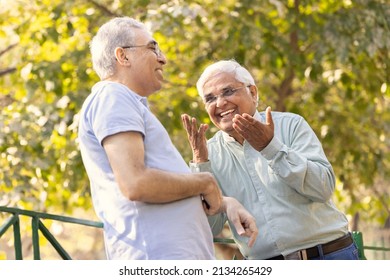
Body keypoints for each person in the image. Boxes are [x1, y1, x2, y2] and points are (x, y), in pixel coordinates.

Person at [77, 18, 258, 260]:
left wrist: (225, 202)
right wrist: (206, 182)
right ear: (123, 56)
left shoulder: (128, 102)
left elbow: (162, 185)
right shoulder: (113, 95)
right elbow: (136, 183)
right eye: (153, 48)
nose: (163, 59)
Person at [181, 59, 359, 260]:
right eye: (210, 98)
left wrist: (271, 148)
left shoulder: (291, 124)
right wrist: (201, 165)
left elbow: (323, 188)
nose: (220, 103)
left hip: (329, 256)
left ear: (253, 92)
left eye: (228, 91)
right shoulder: (208, 152)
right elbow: (207, 229)